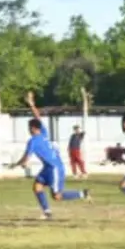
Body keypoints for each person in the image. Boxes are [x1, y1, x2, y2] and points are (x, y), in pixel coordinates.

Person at [10, 92, 89, 220]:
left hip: (54, 168)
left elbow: (25, 158)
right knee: (37, 187)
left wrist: (18, 164)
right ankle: (47, 213)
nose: (28, 130)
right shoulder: (44, 132)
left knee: (57, 196)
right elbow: (38, 117)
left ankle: (82, 194)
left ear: (33, 128)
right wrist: (32, 105)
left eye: (29, 128)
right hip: (48, 167)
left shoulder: (33, 141)